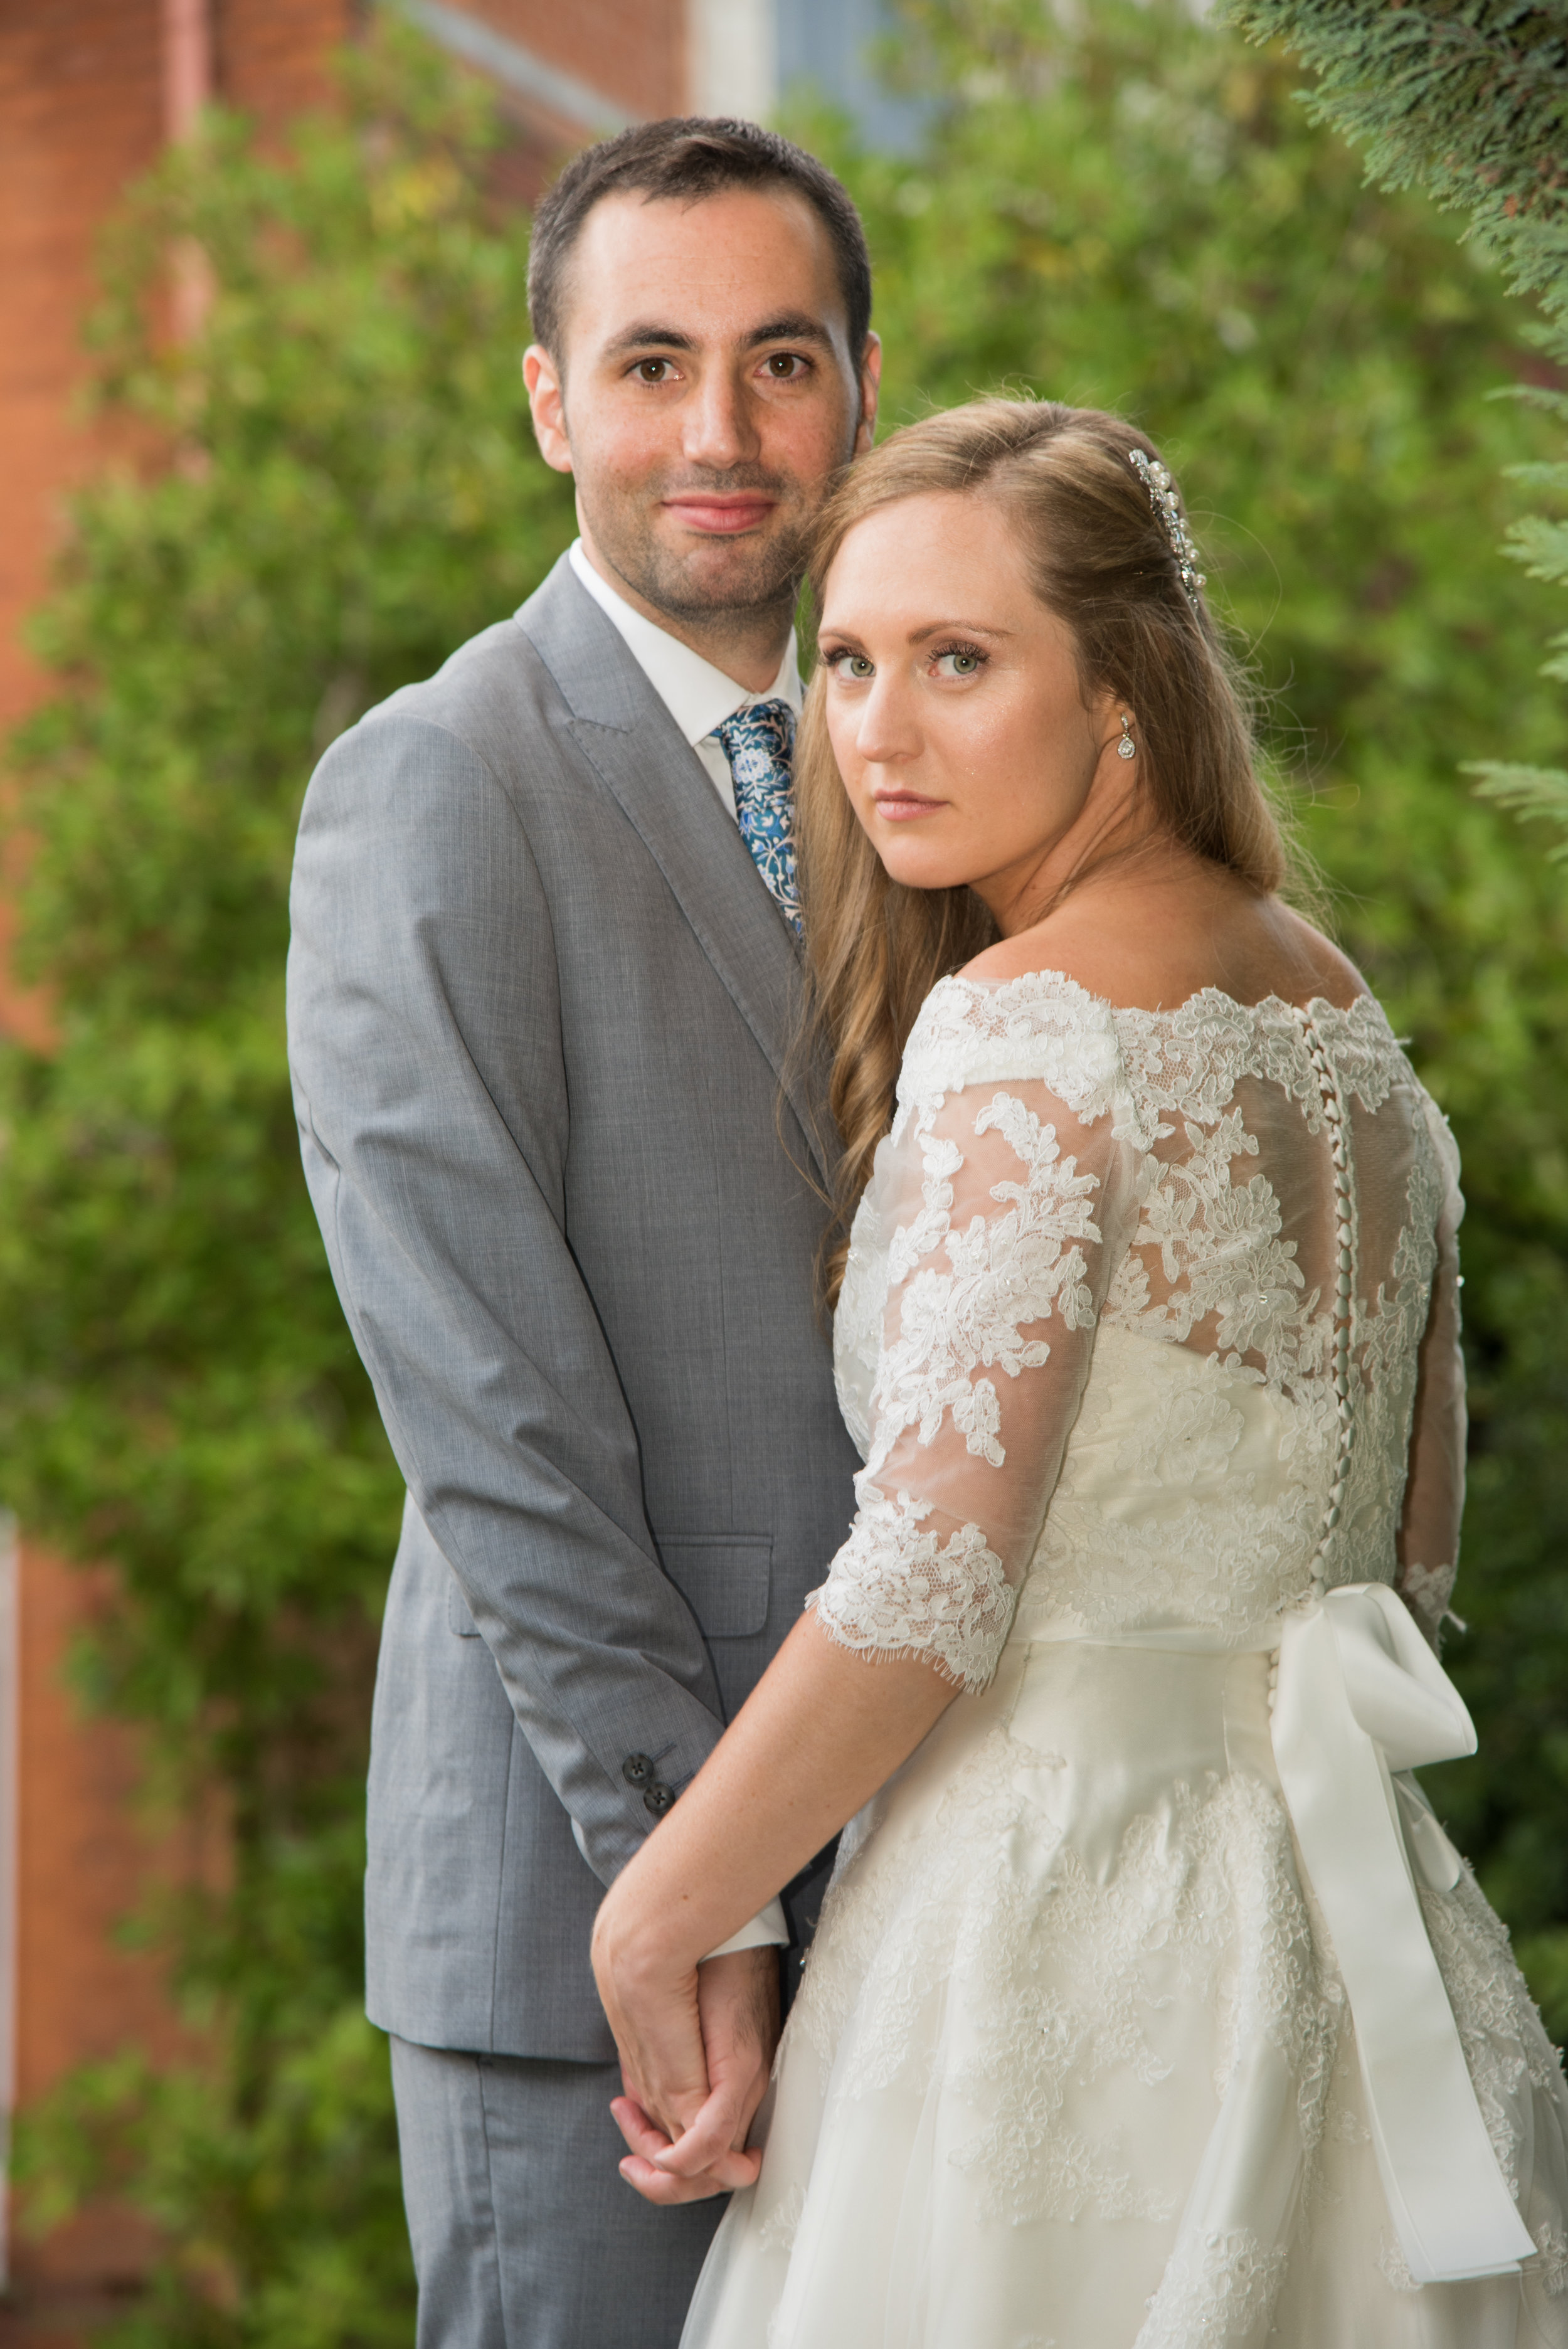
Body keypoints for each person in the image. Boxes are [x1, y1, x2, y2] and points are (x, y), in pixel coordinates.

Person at [591, 398, 1568, 2347]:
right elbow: (1411, 1554)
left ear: (1120, 690)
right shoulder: (1336, 1015)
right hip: (1347, 1927)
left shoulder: (1022, 1025)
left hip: (1050, 1938)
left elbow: (925, 1590)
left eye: (960, 660)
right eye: (851, 661)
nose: (877, 727)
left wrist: (655, 1911)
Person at [286, 118, 881, 2349]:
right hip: (602, 1910)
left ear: (859, 388)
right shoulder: (438, 781)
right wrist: (691, 1870)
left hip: (933, 1890)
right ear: (549, 400)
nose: (719, 435)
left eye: (780, 361)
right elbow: (491, 1401)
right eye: (650, 364)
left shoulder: (908, 770)